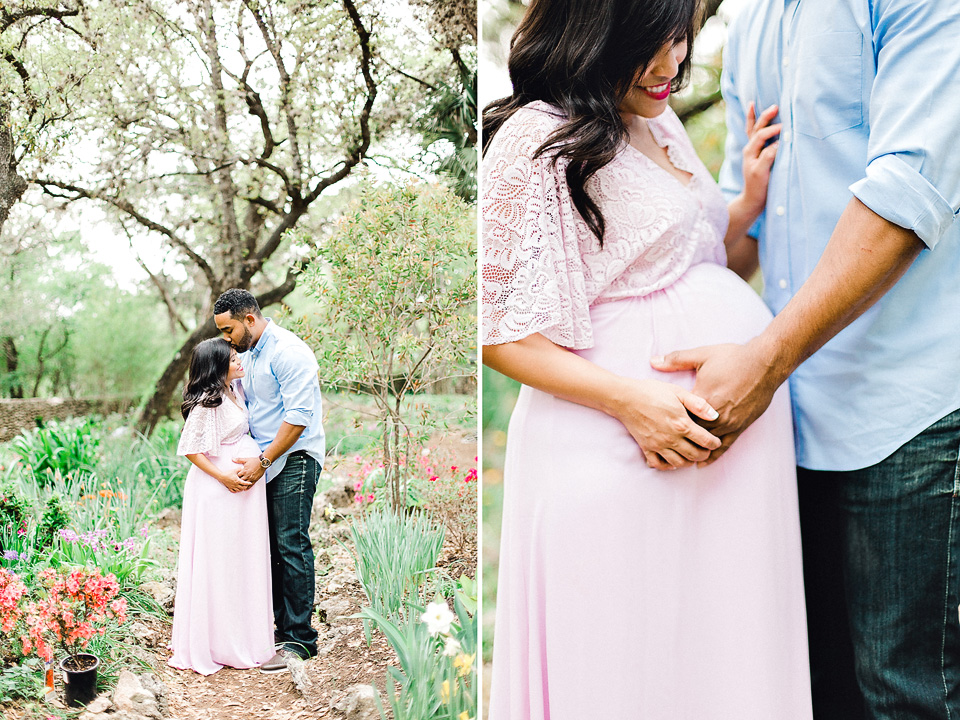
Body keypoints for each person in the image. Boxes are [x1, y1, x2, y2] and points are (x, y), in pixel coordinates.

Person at [481, 0, 812, 717]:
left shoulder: (656, 120)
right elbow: (498, 331)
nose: (669, 64)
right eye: (647, 44)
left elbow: (699, 264)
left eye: (678, 38)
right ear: (592, 31)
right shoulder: (535, 135)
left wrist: (746, 206)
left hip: (713, 457)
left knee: (717, 663)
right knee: (627, 664)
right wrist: (634, 403)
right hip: (619, 446)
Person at [651, 1, 960, 717]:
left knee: (909, 695)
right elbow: (741, 226)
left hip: (910, 410)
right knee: (818, 689)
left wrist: (762, 362)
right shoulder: (754, 20)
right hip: (790, 424)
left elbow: (908, 196)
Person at [212, 288, 325, 674]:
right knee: (270, 546)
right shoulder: (250, 354)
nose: (226, 339)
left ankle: (300, 640)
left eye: (228, 331)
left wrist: (263, 459)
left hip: (293, 457)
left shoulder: (288, 352)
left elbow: (298, 418)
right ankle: (277, 630)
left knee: (291, 544)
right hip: (264, 461)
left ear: (248, 319)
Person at [169, 338, 274, 675]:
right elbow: (190, 449)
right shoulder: (208, 403)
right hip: (218, 491)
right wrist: (224, 477)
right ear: (217, 367)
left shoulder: (233, 389)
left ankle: (243, 634)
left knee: (241, 561)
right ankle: (218, 641)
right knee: (221, 563)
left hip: (240, 489)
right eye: (231, 358)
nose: (239, 360)